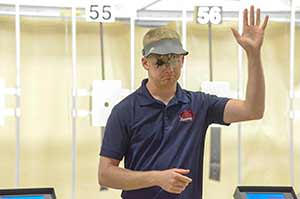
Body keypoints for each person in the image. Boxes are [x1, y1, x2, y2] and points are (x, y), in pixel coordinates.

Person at [98, 5, 269, 199]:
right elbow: (105, 174)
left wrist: (253, 54)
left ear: (182, 61)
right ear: (145, 63)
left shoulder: (199, 104)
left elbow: (253, 110)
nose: (169, 68)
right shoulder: (125, 111)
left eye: (174, 60)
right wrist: (156, 178)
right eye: (160, 61)